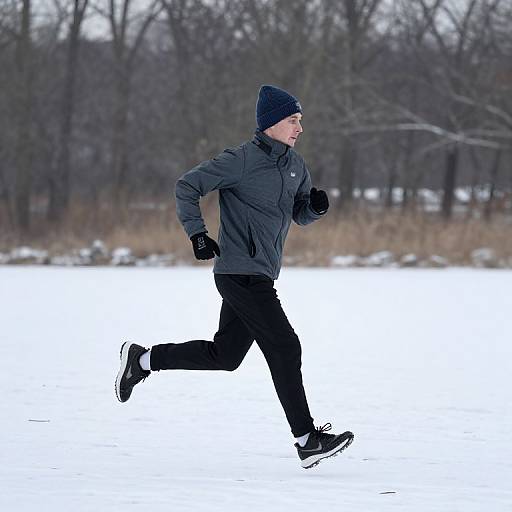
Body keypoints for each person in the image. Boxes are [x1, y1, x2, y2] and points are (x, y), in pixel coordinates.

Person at [115, 85, 354, 469]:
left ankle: (142, 361)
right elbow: (186, 186)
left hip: (260, 274)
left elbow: (300, 213)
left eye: (300, 121)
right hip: (238, 273)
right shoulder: (241, 160)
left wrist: (316, 208)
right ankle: (307, 439)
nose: (299, 128)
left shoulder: (295, 165)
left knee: (225, 356)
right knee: (285, 346)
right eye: (293, 120)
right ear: (271, 123)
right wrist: (197, 233)